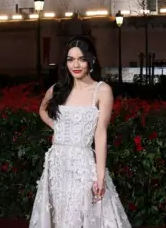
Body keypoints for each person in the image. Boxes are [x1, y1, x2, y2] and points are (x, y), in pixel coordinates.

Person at [29, 36, 131, 227]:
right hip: (56, 163)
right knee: (58, 214)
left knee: (78, 216)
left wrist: (100, 175)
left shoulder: (102, 90)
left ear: (91, 60)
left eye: (81, 59)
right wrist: (57, 127)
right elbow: (42, 110)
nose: (75, 65)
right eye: (70, 59)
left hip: (82, 165)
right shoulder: (57, 89)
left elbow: (100, 134)